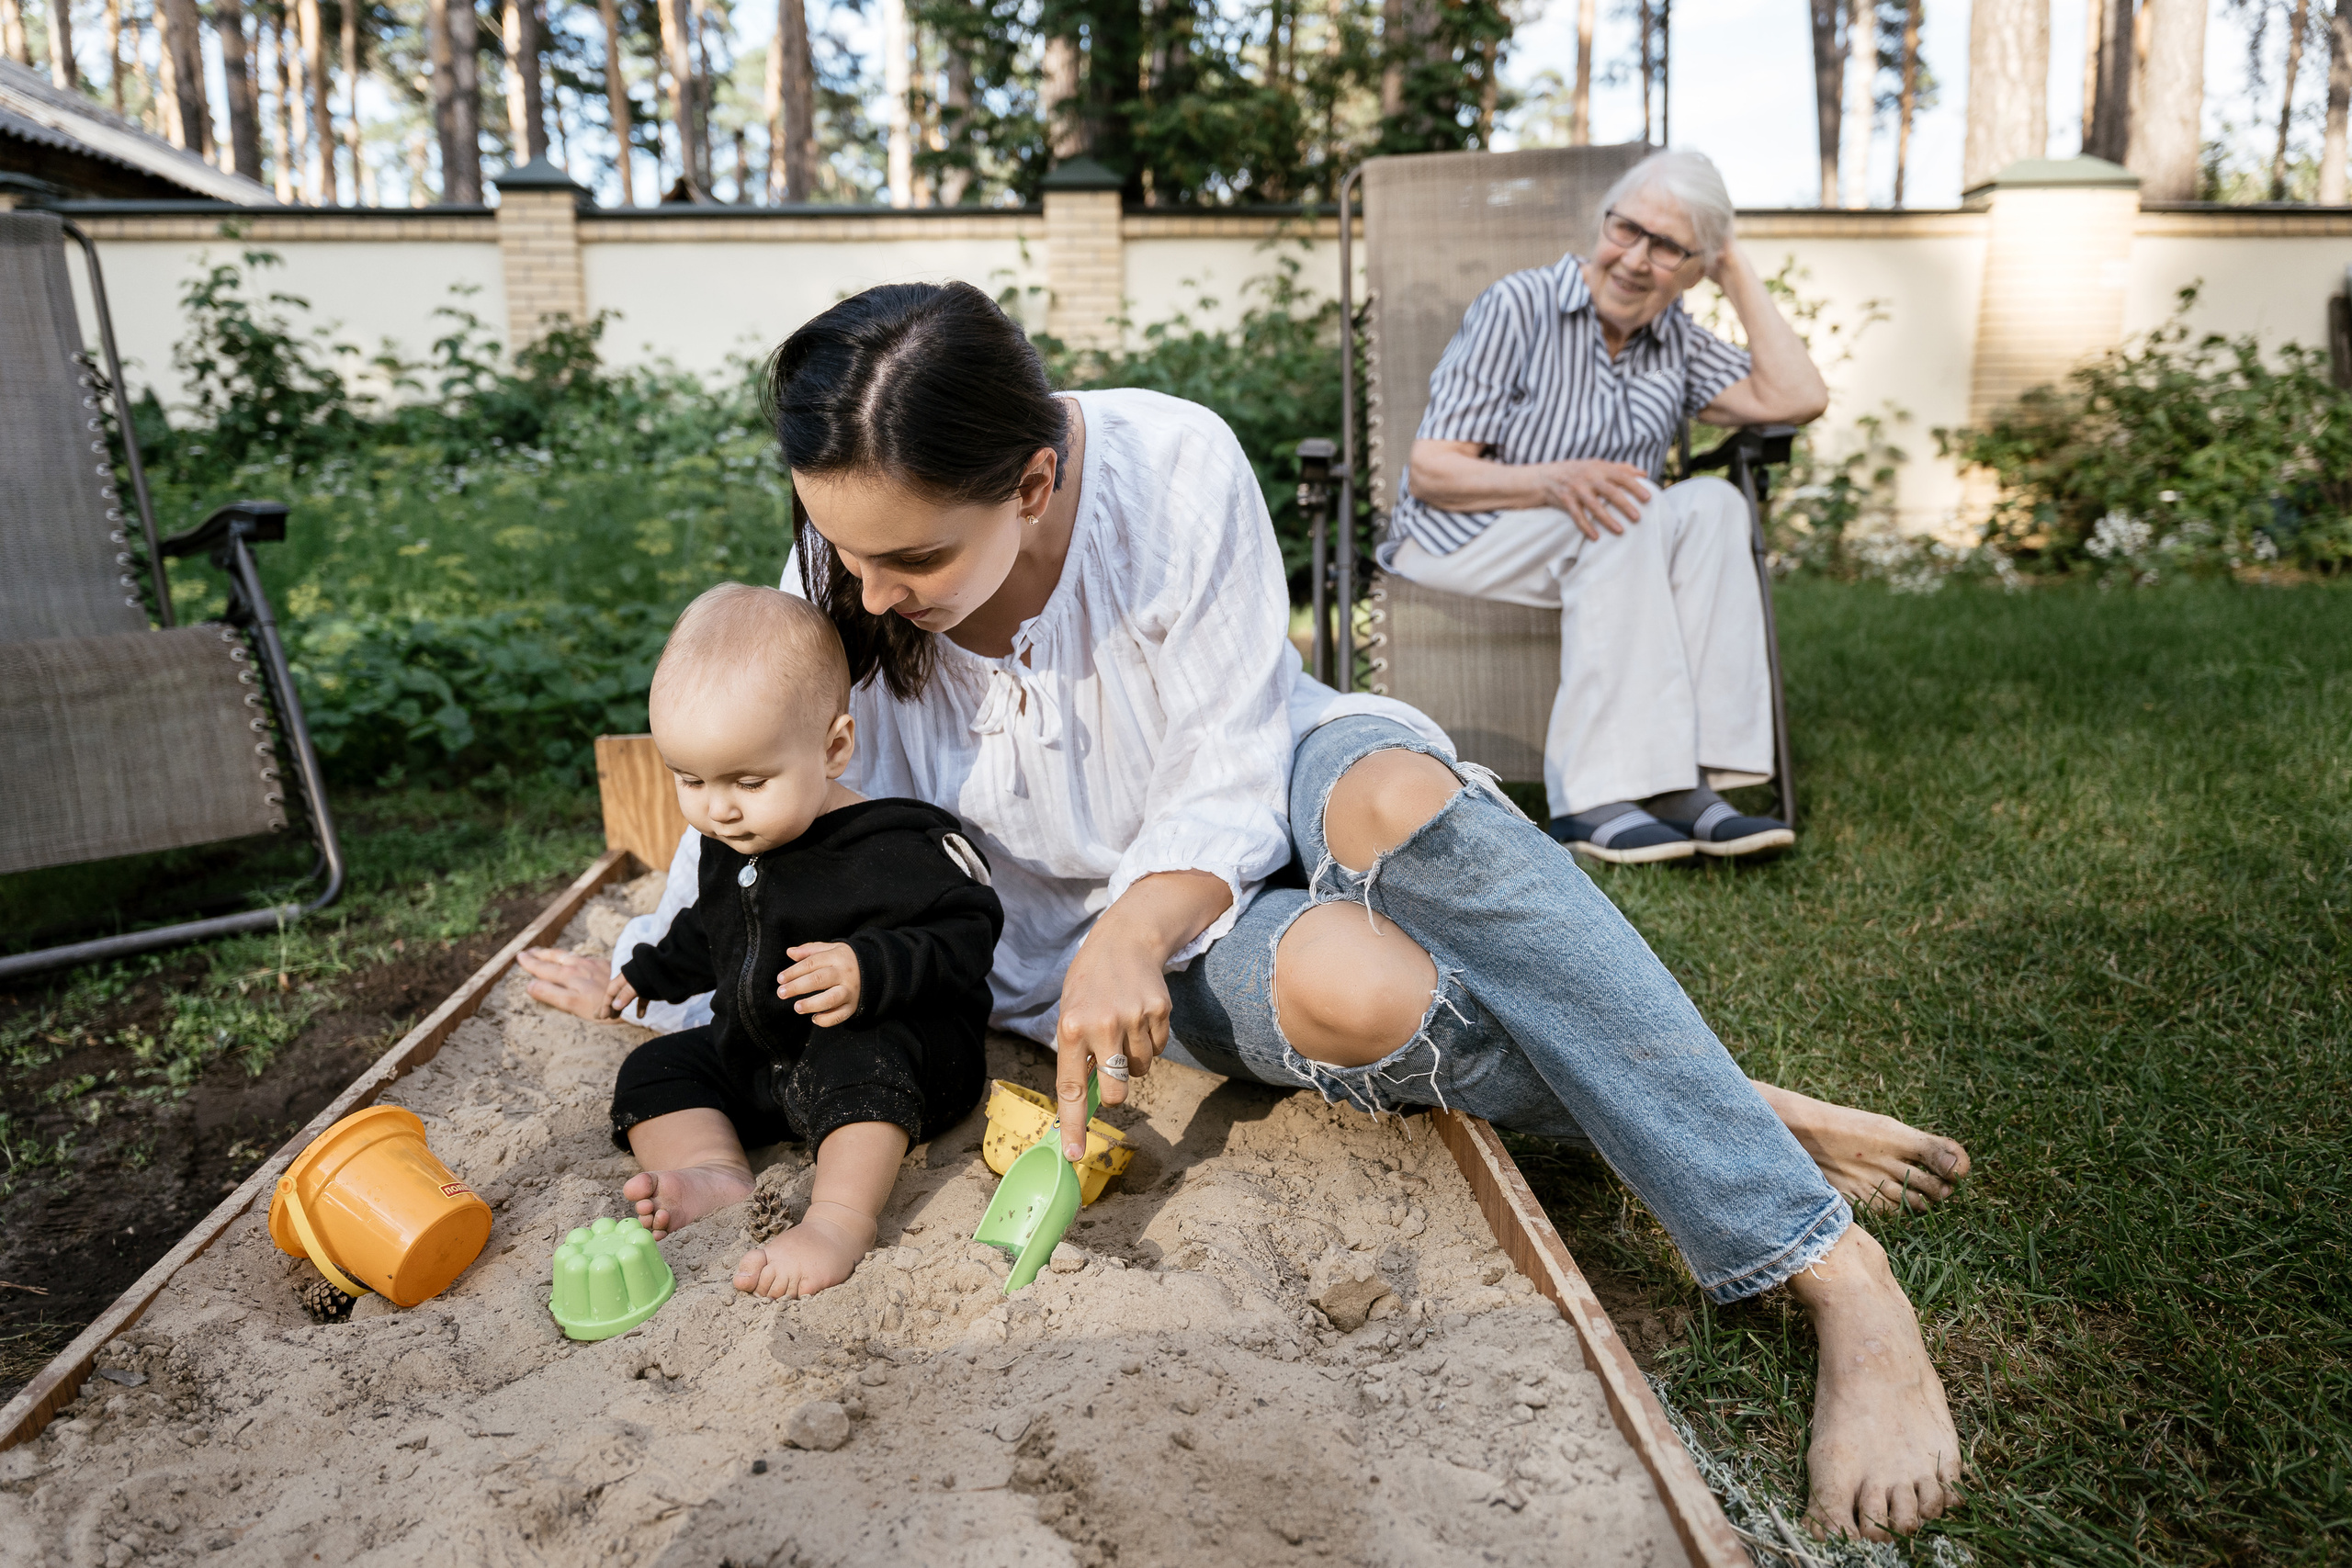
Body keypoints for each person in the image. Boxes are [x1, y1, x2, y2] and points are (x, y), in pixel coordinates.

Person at [520, 281, 1968, 1542]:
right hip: (1068, 959)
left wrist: (1133, 929)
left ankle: (1828, 1264)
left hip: (1252, 805)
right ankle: (1712, 1092)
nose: (871, 596)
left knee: (1401, 799)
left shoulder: (1168, 468)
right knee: (1361, 995)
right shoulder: (854, 566)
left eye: (913, 563)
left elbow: (1227, 771)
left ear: (1031, 482)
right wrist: (655, 969)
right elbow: (757, 794)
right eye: (845, 556)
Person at [1388, 149, 1828, 864]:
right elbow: (1434, 470)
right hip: (1461, 535)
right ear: (1604, 222)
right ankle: (1591, 798)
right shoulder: (1520, 305)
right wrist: (1556, 480)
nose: (1634, 258)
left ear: (1694, 268)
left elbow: (1797, 396)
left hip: (1603, 541)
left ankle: (1694, 780)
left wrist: (1736, 266)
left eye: (1667, 247)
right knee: (1631, 505)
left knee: (1714, 504)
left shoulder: (1674, 340)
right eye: (1626, 229)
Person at [594, 582, 1001, 1300]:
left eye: (750, 780)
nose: (718, 806)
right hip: (769, 1058)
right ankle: (716, 1170)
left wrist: (868, 968)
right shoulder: (733, 840)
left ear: (834, 746)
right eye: (689, 778)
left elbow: (969, 932)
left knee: (860, 1050)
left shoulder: (895, 845)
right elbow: (711, 929)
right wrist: (651, 970)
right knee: (657, 1067)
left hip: (894, 1065)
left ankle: (838, 1219)